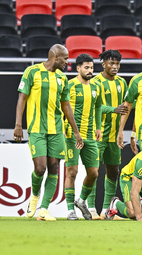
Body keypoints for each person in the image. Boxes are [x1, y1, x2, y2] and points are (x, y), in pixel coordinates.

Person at [13, 44, 83, 221]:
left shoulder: (62, 78)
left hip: (56, 130)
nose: (67, 62)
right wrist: (18, 125)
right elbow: (22, 98)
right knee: (40, 167)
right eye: (65, 58)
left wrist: (76, 132)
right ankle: (34, 196)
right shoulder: (32, 72)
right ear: (55, 57)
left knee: (53, 168)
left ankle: (44, 209)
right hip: (36, 128)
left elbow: (66, 105)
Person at [87, 50, 128, 220]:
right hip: (97, 134)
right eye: (111, 63)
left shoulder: (122, 82)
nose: (115, 67)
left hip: (114, 136)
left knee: (113, 172)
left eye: (117, 63)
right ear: (103, 64)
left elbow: (125, 107)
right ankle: (90, 209)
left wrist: (121, 132)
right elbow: (94, 107)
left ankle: (106, 211)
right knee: (93, 171)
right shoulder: (95, 82)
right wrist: (113, 109)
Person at [64, 54, 102, 220]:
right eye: (86, 67)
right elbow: (63, 108)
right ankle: (70, 210)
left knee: (94, 173)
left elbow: (99, 106)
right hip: (72, 135)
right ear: (78, 68)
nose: (90, 71)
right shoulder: (70, 85)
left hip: (90, 136)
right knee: (72, 172)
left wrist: (99, 126)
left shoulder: (95, 87)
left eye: (92, 68)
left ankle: (81, 200)